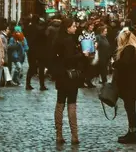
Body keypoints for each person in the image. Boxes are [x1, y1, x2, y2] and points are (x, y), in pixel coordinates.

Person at [52, 17, 83, 145]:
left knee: (60, 103)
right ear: (67, 27)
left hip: (60, 75)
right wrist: (83, 54)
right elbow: (70, 58)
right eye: (74, 26)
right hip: (70, 76)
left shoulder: (57, 39)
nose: (75, 28)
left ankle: (59, 135)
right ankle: (74, 135)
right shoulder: (68, 41)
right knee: (71, 104)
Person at [112, 29, 136, 144]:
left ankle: (132, 135)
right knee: (131, 108)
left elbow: (124, 64)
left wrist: (114, 63)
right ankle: (131, 132)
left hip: (129, 83)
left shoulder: (129, 49)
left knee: (130, 109)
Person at [26, 16, 49, 90]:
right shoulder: (39, 29)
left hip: (31, 50)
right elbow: (44, 38)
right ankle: (42, 85)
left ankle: (27, 84)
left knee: (31, 67)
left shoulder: (28, 28)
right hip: (40, 51)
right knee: (41, 68)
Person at [79, 21, 98, 88]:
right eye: (91, 26)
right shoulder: (83, 32)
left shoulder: (93, 33)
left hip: (91, 52)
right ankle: (81, 82)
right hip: (84, 52)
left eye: (93, 26)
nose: (92, 27)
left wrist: (95, 43)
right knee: (84, 67)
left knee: (90, 67)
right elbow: (80, 40)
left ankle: (88, 81)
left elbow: (94, 40)